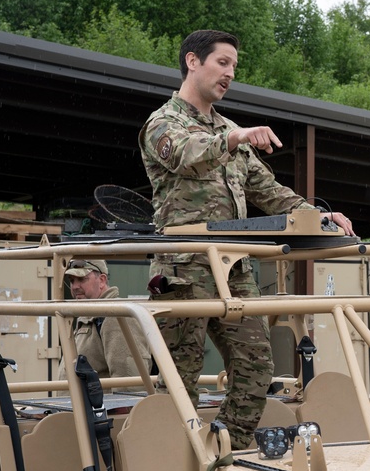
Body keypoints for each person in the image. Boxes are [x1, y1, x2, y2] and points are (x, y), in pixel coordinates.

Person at [138, 30, 353, 447]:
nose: (230, 73)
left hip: (232, 268)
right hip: (184, 269)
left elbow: (268, 191)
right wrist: (234, 138)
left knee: (256, 366)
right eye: (222, 62)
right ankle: (172, 461)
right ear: (192, 61)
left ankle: (224, 449)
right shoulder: (164, 123)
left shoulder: (229, 130)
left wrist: (318, 214)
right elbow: (185, 155)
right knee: (179, 376)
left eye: (234, 66)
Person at [58, 259, 152, 382]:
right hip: (80, 401)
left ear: (102, 280)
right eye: (71, 281)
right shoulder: (90, 315)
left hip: (98, 401)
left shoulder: (116, 316)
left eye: (81, 279)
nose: (75, 286)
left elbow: (128, 382)